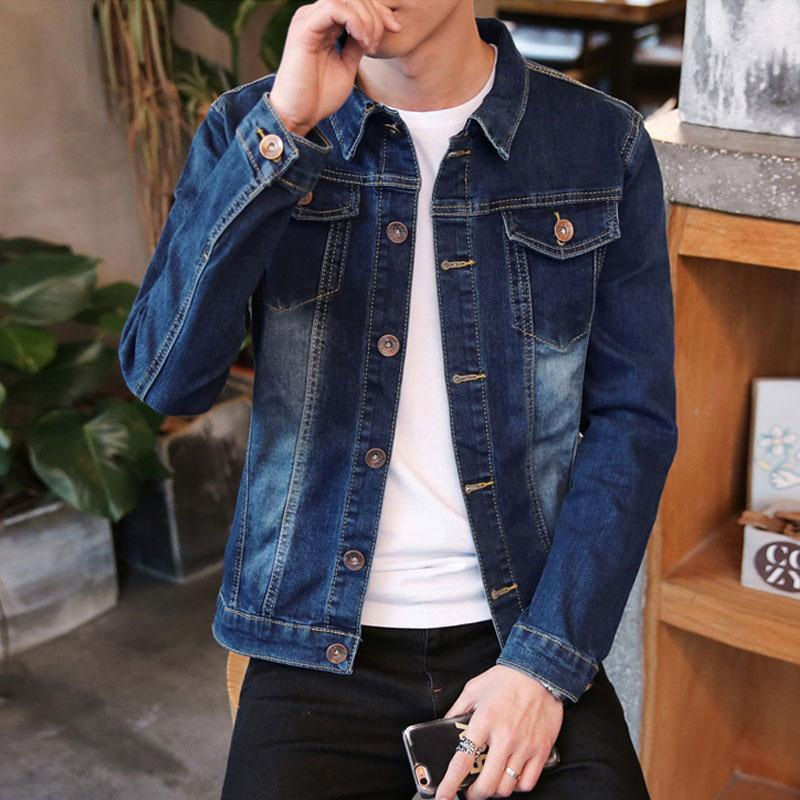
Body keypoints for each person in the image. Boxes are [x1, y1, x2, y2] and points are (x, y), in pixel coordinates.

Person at [117, 1, 678, 798]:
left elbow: (634, 423)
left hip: (519, 629)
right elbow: (166, 378)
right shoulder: (253, 126)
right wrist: (285, 133)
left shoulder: (599, 141)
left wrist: (542, 665)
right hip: (310, 639)